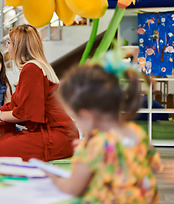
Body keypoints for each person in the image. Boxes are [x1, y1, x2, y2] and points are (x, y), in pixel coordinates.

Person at [48, 60, 163, 203]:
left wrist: (54, 179)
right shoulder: (139, 133)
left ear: (86, 116)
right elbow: (154, 168)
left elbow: (73, 188)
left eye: (75, 117)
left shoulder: (94, 145)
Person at [0, 24, 79, 161]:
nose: (7, 47)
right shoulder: (35, 67)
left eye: (9, 42)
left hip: (57, 135)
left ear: (19, 46)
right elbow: (13, 106)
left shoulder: (31, 69)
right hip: (60, 133)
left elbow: (25, 113)